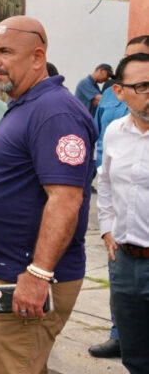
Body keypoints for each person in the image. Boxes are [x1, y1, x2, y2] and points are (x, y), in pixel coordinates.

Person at [0, 16, 98, 374]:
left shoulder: (55, 111)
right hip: (11, 275)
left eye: (5, 51)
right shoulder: (27, 104)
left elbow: (66, 199)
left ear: (38, 58)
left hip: (25, 281)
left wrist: (38, 274)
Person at [88, 35, 149, 360]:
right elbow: (106, 183)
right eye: (142, 87)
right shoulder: (114, 132)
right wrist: (107, 228)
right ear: (119, 92)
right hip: (124, 261)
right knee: (134, 353)